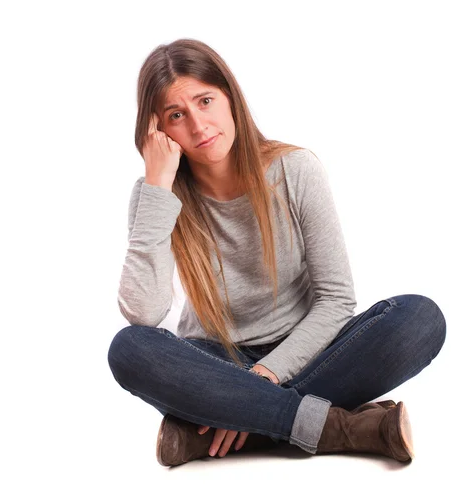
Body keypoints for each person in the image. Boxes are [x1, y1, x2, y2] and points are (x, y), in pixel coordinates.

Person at [107, 38, 446, 467]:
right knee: (129, 348)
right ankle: (344, 427)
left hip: (309, 348)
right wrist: (157, 185)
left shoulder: (294, 169)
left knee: (419, 318)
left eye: (205, 101)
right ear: (158, 131)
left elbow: (336, 300)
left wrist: (264, 378)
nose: (198, 125)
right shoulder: (155, 194)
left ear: (230, 96)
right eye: (177, 115)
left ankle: (234, 428)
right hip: (217, 361)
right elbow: (143, 313)